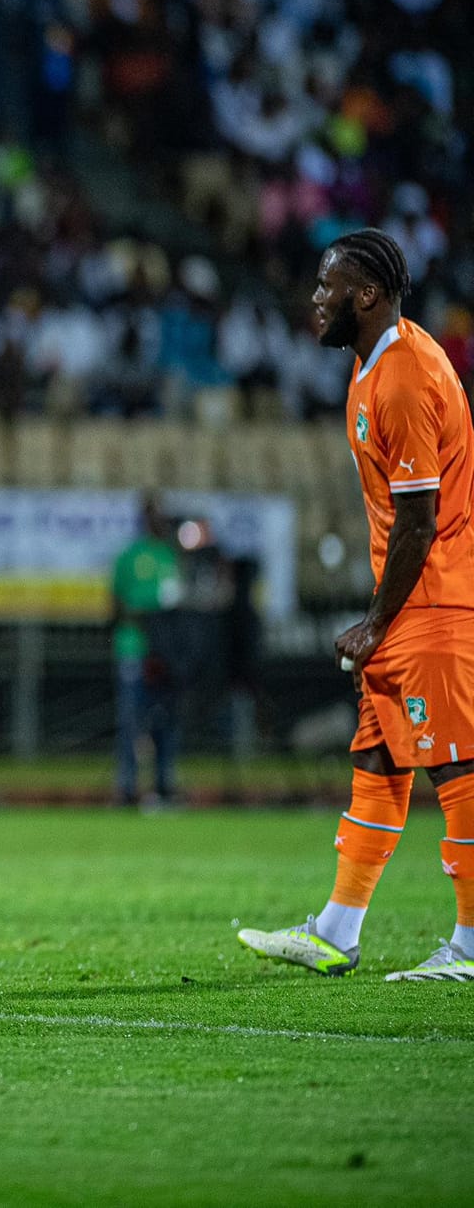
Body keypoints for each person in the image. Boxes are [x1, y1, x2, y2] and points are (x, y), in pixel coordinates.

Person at [239, 229, 474, 981]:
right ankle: (338, 930)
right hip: (408, 606)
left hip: (436, 601)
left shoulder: (404, 376)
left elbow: (419, 518)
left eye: (326, 287)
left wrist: (375, 621)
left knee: (457, 766)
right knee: (377, 759)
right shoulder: (374, 366)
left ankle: (470, 945)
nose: (315, 300)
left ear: (365, 295)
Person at [111, 494, 185, 806]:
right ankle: (127, 787)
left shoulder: (171, 556)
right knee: (131, 720)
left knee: (166, 720)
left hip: (164, 655)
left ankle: (164, 784)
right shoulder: (129, 556)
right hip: (134, 648)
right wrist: (150, 620)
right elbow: (115, 605)